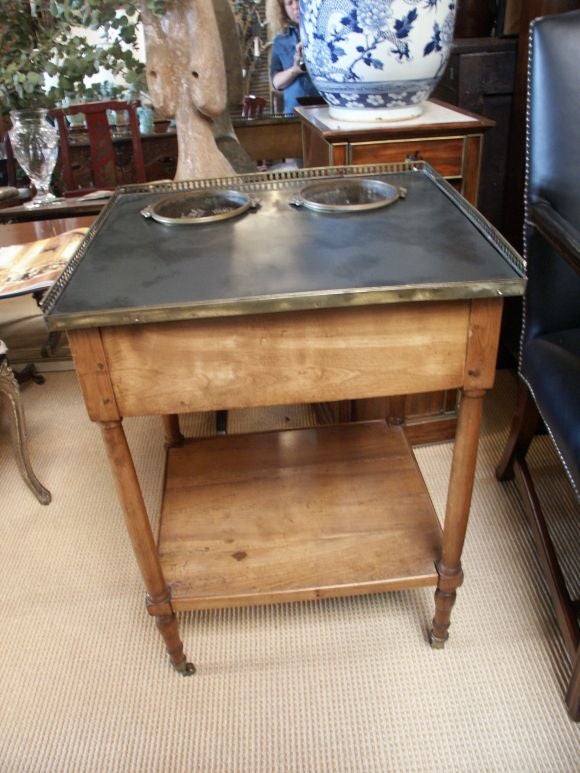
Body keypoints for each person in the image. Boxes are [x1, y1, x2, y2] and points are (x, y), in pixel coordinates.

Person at [270, 0, 320, 114]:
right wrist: (295, 70)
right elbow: (276, 83)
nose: (296, 7)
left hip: (325, 109)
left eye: (299, 0)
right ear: (283, 9)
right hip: (293, 113)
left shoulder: (325, 33)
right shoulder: (280, 40)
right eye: (290, 3)